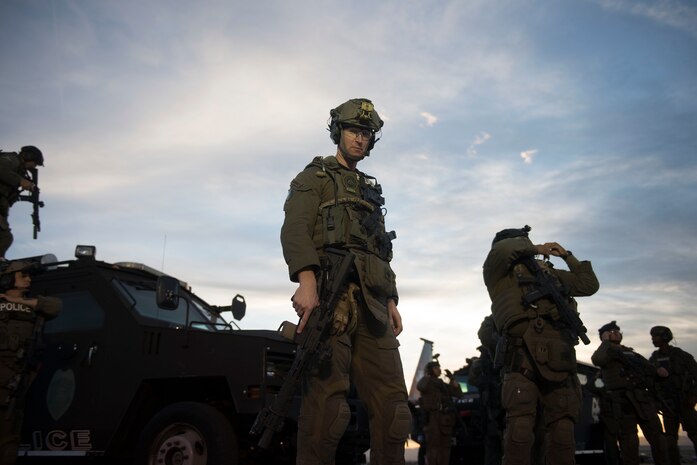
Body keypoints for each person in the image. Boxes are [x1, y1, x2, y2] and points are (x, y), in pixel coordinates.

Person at [280, 98, 411, 465]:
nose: (360, 139)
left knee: (395, 410)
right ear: (339, 132)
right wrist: (306, 281)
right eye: (354, 131)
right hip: (330, 299)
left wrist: (391, 299)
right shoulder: (314, 178)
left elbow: (380, 250)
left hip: (373, 303)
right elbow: (295, 231)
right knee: (327, 410)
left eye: (367, 134)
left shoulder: (370, 191)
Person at [482, 225, 599, 465]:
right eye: (523, 242)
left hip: (561, 356)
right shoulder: (499, 272)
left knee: (563, 430)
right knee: (520, 429)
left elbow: (588, 285)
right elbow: (503, 251)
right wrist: (534, 246)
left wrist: (567, 256)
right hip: (521, 355)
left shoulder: (550, 274)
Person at [0, 260, 62, 465]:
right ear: (8, 278)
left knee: (9, 440)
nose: (29, 279)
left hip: (16, 384)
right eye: (23, 276)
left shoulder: (33, 306)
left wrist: (20, 302)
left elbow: (55, 306)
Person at [591, 321, 669, 465]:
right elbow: (597, 360)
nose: (616, 333)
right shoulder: (605, 352)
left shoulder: (630, 352)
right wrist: (605, 342)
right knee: (629, 445)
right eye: (611, 332)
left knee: (659, 440)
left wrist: (658, 370)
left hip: (643, 402)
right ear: (605, 335)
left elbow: (648, 368)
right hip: (622, 403)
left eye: (617, 331)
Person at [649, 325, 697, 464]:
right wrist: (656, 401)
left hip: (685, 402)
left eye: (655, 336)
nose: (653, 339)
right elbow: (650, 381)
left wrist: (693, 396)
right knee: (670, 440)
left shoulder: (681, 356)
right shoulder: (654, 358)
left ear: (664, 337)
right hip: (667, 405)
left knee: (695, 434)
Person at [0, 146, 44, 259]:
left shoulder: (18, 169)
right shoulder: (11, 159)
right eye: (35, 163)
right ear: (29, 157)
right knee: (4, 237)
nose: (34, 167)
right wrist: (20, 181)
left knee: (5, 238)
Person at [416, 360, 463, 465]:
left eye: (439, 368)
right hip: (432, 418)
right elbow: (420, 386)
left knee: (445, 446)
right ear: (430, 370)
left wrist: (452, 380)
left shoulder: (442, 384)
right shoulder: (427, 382)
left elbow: (459, 394)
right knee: (433, 446)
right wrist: (427, 375)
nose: (439, 370)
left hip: (444, 419)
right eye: (436, 368)